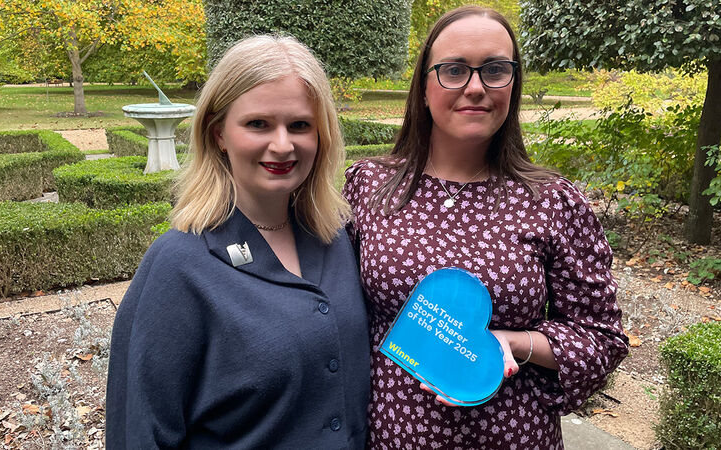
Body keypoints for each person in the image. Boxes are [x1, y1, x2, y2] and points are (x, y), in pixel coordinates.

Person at [343, 6, 628, 449]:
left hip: (510, 435)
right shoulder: (369, 185)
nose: (475, 88)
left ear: (513, 84)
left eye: (495, 70)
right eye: (454, 70)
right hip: (389, 434)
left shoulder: (552, 201)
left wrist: (516, 343)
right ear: (422, 87)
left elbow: (602, 337)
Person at [106, 35, 370, 449]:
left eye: (300, 125)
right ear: (219, 134)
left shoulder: (337, 239)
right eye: (258, 124)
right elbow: (140, 431)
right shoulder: (178, 265)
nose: (282, 145)